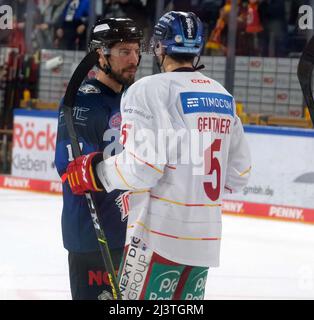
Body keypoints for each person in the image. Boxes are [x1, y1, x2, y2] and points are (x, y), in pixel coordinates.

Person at [66, 11, 251, 300]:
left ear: (159, 47)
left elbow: (144, 168)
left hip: (157, 239)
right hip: (205, 242)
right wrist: (192, 189)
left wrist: (96, 172)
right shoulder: (223, 97)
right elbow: (239, 176)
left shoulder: (148, 89)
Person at [54, 17, 143, 300]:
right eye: (124, 51)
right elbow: (68, 168)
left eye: (136, 50)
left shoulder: (134, 98)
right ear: (101, 55)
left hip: (130, 233)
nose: (134, 59)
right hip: (93, 237)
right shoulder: (84, 101)